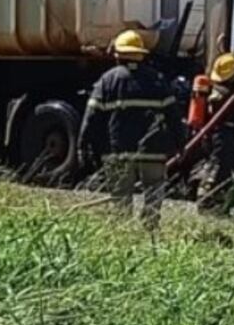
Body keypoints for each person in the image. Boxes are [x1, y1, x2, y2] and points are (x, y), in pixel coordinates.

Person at [78, 29, 184, 229]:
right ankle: (150, 230)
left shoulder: (107, 80)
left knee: (120, 197)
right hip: (153, 150)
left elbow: (91, 117)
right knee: (154, 191)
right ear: (142, 54)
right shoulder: (158, 80)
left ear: (117, 55)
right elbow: (174, 116)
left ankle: (122, 234)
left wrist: (82, 146)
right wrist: (180, 144)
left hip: (118, 151)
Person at [198, 52, 234, 213]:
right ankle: (205, 201)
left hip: (223, 135)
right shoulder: (223, 95)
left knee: (227, 170)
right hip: (221, 136)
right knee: (217, 169)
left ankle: (220, 205)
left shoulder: (219, 88)